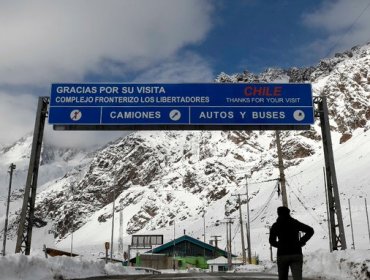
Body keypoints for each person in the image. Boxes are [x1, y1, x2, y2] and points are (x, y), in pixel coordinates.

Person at [269, 206, 314, 280]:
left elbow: (271, 241)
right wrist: (301, 241)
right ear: (288, 213)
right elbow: (310, 230)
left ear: (278, 214)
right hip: (296, 253)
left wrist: (280, 245)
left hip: (282, 255)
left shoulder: (276, 225)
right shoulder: (294, 223)